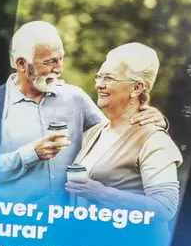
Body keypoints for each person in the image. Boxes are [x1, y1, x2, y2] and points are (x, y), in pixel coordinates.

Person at [0, 21, 166, 203]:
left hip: (68, 230)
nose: (59, 69)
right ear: (22, 64)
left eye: (60, 59)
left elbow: (115, 138)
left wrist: (156, 122)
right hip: (19, 231)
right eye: (49, 62)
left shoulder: (75, 98)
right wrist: (30, 154)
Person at [68, 43, 183, 221]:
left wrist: (102, 194)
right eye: (99, 77)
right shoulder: (94, 132)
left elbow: (165, 207)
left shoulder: (154, 140)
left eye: (109, 79)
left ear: (137, 88)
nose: (99, 85)